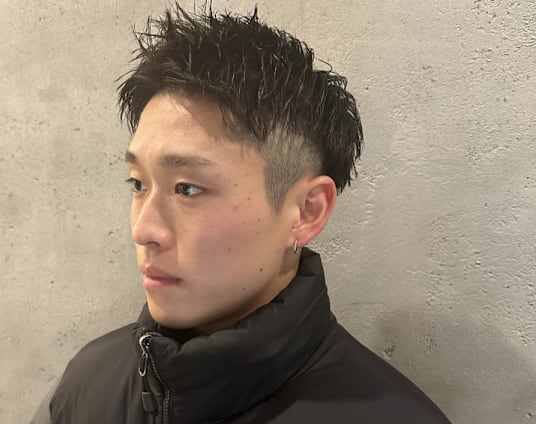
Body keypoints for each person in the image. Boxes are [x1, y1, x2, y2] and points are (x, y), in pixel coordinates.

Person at [32, 4, 451, 423]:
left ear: (306, 212)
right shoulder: (88, 382)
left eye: (188, 188)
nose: (144, 230)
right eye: (138, 184)